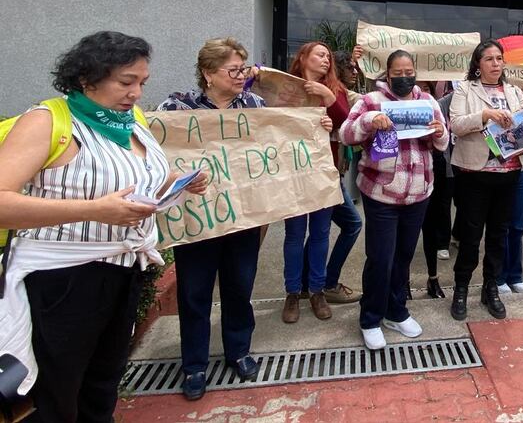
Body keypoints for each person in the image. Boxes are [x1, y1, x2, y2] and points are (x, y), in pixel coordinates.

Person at [0, 31, 208, 422]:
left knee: (102, 381)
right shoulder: (47, 122)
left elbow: (134, 179)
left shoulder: (131, 122)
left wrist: (175, 181)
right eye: (126, 82)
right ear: (87, 78)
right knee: (59, 388)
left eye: (142, 83)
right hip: (63, 280)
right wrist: (94, 210)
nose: (136, 92)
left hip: (123, 273)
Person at [157, 37, 332, 401]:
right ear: (208, 73)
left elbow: (282, 143)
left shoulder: (255, 105)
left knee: (240, 286)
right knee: (194, 293)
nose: (241, 76)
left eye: (243, 68)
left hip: (243, 218)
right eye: (233, 69)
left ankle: (239, 350)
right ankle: (194, 365)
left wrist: (317, 128)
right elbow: (157, 156)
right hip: (199, 218)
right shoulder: (176, 106)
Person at [340, 50, 449, 349]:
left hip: (419, 193)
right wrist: (370, 121)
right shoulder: (370, 101)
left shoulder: (427, 102)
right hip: (381, 194)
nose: (404, 77)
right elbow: (346, 133)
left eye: (409, 71)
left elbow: (442, 142)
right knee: (381, 257)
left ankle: (396, 311)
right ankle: (370, 317)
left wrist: (439, 132)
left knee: (403, 256)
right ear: (387, 74)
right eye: (397, 73)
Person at [449, 40, 523, 321]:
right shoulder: (464, 89)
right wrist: (485, 115)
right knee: (470, 236)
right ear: (478, 64)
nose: (496, 64)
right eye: (489, 59)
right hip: (475, 174)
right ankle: (461, 288)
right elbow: (456, 125)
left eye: (499, 59)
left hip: (510, 173)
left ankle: (490, 288)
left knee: (499, 235)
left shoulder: (515, 91)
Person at [282, 42, 360, 323]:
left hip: (325, 173)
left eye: (328, 56)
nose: (326, 60)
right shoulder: (286, 87)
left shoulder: (335, 89)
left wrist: (327, 95)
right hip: (294, 174)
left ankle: (316, 291)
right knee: (294, 235)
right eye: (320, 55)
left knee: (320, 232)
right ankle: (293, 293)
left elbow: (345, 120)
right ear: (303, 57)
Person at [416, 81, 455, 299]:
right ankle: (402, 281)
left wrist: (439, 132)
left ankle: (433, 278)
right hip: (404, 179)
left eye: (427, 89)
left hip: (435, 169)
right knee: (406, 234)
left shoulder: (435, 105)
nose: (422, 92)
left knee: (432, 224)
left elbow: (443, 140)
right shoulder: (388, 103)